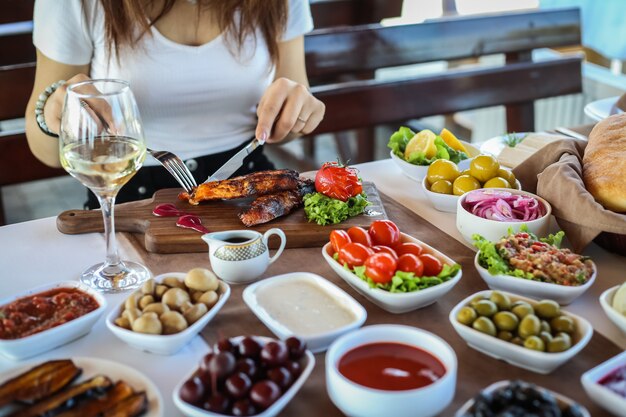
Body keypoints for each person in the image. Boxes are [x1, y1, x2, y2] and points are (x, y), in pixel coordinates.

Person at [25, 0, 325, 208]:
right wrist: (56, 114)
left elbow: (291, 121)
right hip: (127, 193)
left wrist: (298, 112)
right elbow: (48, 152)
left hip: (250, 186)